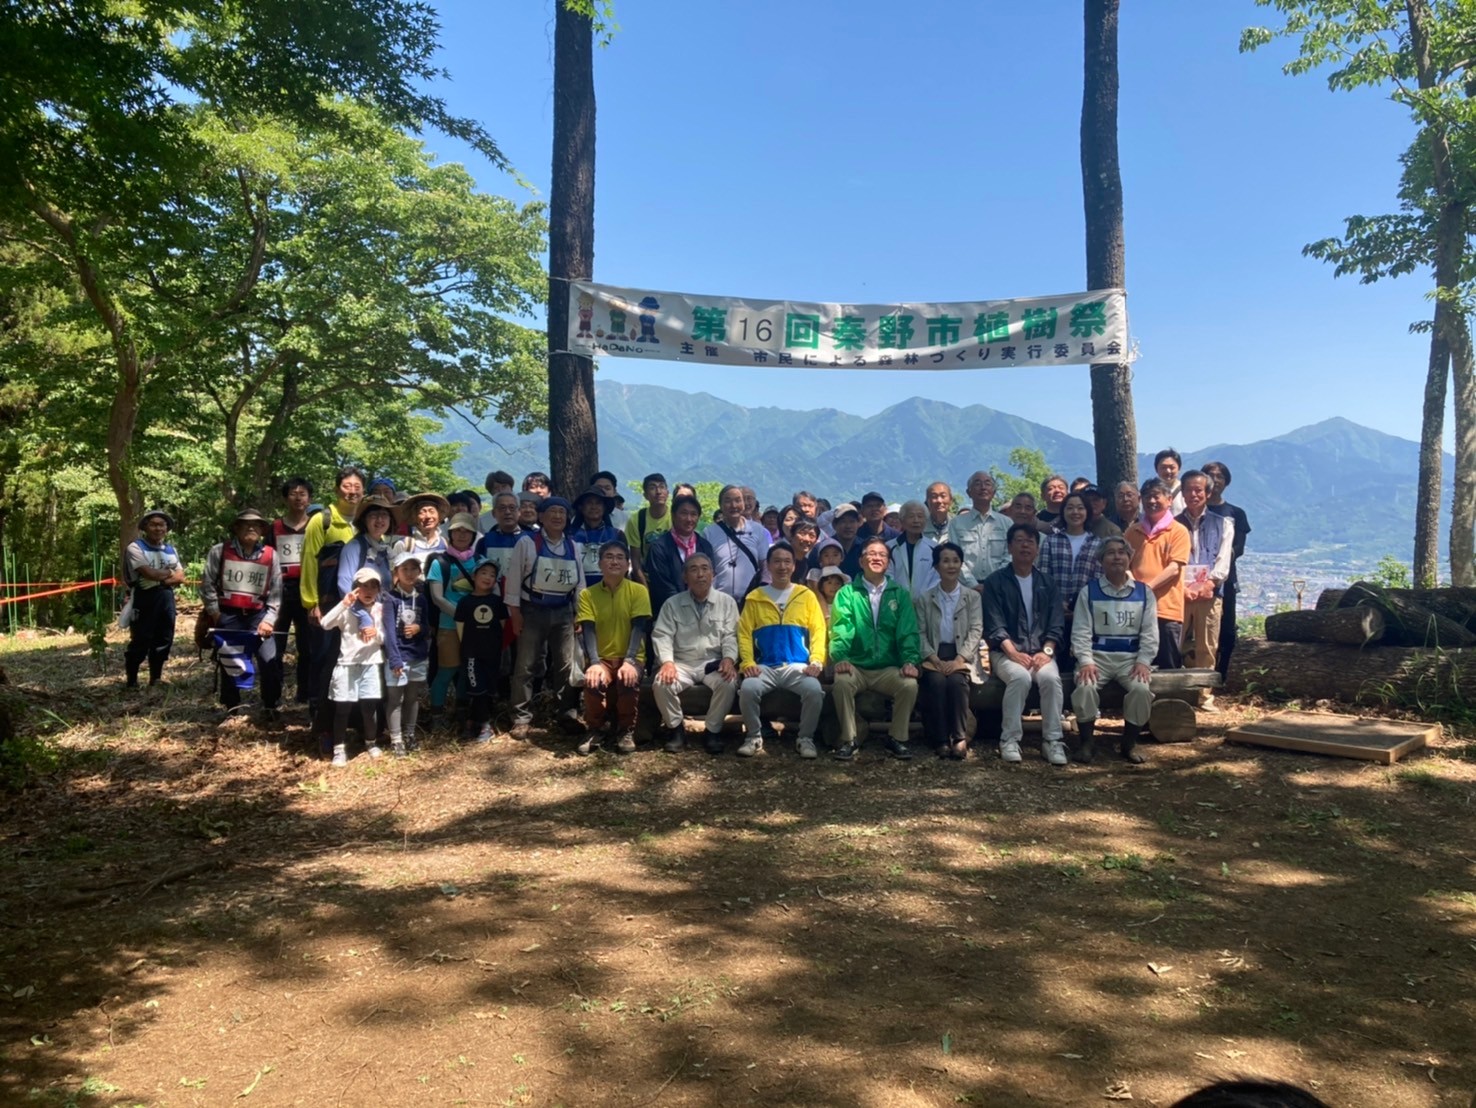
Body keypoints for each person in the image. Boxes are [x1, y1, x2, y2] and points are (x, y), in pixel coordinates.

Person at [828, 535, 921, 761]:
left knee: (909, 685)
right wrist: (841, 656)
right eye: (871, 554)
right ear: (861, 561)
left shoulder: (899, 594)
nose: (876, 558)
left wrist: (910, 660)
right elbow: (841, 628)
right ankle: (849, 739)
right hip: (857, 666)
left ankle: (897, 738)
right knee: (841, 683)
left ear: (888, 562)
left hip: (887, 667)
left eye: (882, 555)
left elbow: (908, 631)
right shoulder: (847, 593)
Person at [982, 524, 1067, 766]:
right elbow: (994, 623)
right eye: (1019, 540)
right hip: (1005, 653)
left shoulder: (1047, 583)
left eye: (1030, 541)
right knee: (1020, 678)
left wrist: (1047, 651)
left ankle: (1052, 740)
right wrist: (1012, 651)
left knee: (1051, 679)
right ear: (1009, 547)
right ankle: (1009, 739)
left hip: (1041, 653)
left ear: (1038, 548)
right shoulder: (995, 582)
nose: (1025, 545)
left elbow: (1056, 624)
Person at [734, 542, 828, 759]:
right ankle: (754, 737)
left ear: (794, 566)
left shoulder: (805, 596)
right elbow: (745, 633)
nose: (782, 566)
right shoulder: (755, 597)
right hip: (764, 666)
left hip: (797, 666)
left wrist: (816, 660)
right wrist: (747, 662)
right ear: (768, 565)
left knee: (814, 690)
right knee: (748, 689)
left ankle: (805, 738)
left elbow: (818, 630)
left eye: (787, 561)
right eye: (776, 561)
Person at [1070, 536, 1157, 764]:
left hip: (1131, 659)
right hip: (1097, 657)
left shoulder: (1144, 593)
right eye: (1110, 552)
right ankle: (1087, 742)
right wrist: (1086, 661)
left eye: (1121, 552)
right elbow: (1080, 631)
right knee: (1085, 687)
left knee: (1140, 690)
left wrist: (1144, 661)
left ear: (1130, 558)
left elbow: (1150, 632)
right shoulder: (1089, 592)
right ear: (1101, 560)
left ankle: (1129, 743)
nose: (1116, 556)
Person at [506, 496, 584, 738]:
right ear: (541, 516)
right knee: (526, 665)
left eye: (562, 512)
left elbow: (579, 585)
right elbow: (513, 580)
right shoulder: (527, 543)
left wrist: (579, 614)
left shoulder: (574, 546)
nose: (558, 516)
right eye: (552, 511)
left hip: (563, 612)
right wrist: (515, 614)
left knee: (565, 665)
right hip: (532, 610)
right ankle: (521, 717)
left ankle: (567, 714)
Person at [650, 553, 740, 754]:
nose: (700, 574)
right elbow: (662, 635)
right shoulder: (672, 604)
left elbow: (731, 636)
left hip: (713, 662)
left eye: (705, 569)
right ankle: (676, 730)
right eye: (694, 569)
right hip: (681, 662)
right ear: (684, 577)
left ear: (713, 574)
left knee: (728, 682)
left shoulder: (727, 602)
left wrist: (728, 659)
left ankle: (713, 731)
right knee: (661, 683)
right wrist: (667, 662)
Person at [200, 508, 283, 720]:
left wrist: (269, 619)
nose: (251, 528)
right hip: (228, 614)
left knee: (269, 660)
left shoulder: (271, 555)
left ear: (262, 530)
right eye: (246, 524)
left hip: (259, 616)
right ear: (236, 528)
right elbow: (208, 584)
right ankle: (232, 708)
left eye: (256, 525)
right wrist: (215, 613)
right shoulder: (219, 551)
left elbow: (275, 592)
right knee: (230, 661)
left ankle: (271, 705)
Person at [300, 466, 365, 733]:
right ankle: (319, 716)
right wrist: (310, 602)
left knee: (354, 657)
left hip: (360, 606)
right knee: (325, 658)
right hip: (328, 603)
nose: (352, 491)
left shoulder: (367, 520)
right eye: (346, 486)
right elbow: (309, 562)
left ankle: (352, 718)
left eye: (357, 486)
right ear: (337, 489)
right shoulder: (322, 521)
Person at [576, 541, 651, 754]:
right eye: (609, 556)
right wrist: (595, 662)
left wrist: (629, 661)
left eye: (620, 557)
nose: (614, 561)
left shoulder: (638, 591)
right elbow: (588, 629)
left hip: (632, 656)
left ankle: (626, 730)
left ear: (628, 564)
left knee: (627, 679)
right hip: (601, 657)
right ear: (599, 563)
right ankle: (595, 729)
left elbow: (639, 627)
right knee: (593, 681)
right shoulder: (587, 594)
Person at [914, 542, 984, 760]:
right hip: (933, 655)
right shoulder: (925, 599)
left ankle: (960, 737)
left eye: (955, 561)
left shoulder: (972, 597)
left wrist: (959, 659)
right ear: (936, 566)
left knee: (956, 683)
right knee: (935, 682)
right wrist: (934, 659)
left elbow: (976, 629)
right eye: (945, 561)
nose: (951, 565)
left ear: (961, 564)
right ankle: (940, 739)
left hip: (961, 655)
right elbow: (920, 632)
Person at [319, 566, 386, 765]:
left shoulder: (379, 609)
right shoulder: (347, 609)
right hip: (347, 664)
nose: (369, 591)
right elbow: (325, 624)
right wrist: (343, 603)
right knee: (343, 708)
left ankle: (371, 742)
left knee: (369, 707)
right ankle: (339, 748)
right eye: (364, 586)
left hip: (371, 663)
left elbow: (384, 638)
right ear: (355, 588)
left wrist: (376, 633)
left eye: (373, 586)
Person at [1125, 477, 1190, 670]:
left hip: (1166, 609)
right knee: (1138, 665)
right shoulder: (1132, 531)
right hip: (1136, 608)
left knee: (1168, 664)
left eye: (1156, 496)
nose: (1151, 501)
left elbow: (1174, 568)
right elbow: (1124, 564)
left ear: (1169, 500)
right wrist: (1134, 586)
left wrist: (1146, 589)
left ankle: (1172, 701)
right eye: (1147, 497)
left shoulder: (1178, 531)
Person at [1177, 469, 1235, 678]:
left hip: (1210, 593)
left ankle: (1204, 693)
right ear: (1182, 493)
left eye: (1198, 490)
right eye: (1189, 490)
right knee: (1174, 643)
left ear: (1208, 493)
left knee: (1207, 645)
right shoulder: (1173, 525)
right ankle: (1173, 690)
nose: (1194, 495)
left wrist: (1210, 583)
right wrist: (1181, 587)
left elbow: (1224, 558)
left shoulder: (1223, 524)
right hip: (1178, 593)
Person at [1035, 491, 1103, 668]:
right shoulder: (1051, 541)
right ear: (1063, 512)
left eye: (1080, 508)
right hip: (1054, 613)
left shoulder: (1097, 543)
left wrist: (1079, 607)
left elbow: (1098, 580)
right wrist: (1058, 603)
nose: (1075, 512)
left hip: (1086, 615)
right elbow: (1043, 577)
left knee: (1081, 663)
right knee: (1056, 662)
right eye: (1070, 508)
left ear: (1087, 512)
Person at [426, 513, 481, 727]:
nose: (461, 534)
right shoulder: (440, 563)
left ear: (473, 535)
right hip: (448, 626)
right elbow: (437, 597)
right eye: (457, 530)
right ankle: (437, 715)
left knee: (466, 669)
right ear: (450, 533)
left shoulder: (479, 562)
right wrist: (462, 615)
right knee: (447, 670)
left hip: (474, 628)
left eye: (466, 531)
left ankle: (461, 710)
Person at [122, 509, 185, 689]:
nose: (158, 529)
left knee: (164, 637)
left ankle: (155, 678)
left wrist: (160, 577)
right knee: (141, 638)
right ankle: (132, 680)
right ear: (145, 528)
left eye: (162, 525)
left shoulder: (171, 550)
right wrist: (168, 573)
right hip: (144, 597)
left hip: (166, 597)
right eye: (154, 524)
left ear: (167, 528)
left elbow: (180, 576)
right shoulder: (135, 548)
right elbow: (147, 572)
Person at [1202, 459, 1251, 681]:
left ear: (1226, 481)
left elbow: (1238, 548)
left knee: (1227, 627)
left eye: (1220, 476)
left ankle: (1222, 672)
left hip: (1227, 578)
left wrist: (1220, 561)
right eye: (1211, 475)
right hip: (1197, 578)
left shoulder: (1235, 513)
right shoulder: (1194, 511)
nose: (1215, 479)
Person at [268, 478, 314, 703]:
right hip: (279, 592)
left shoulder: (315, 527)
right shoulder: (274, 527)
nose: (298, 498)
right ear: (285, 498)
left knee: (307, 648)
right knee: (274, 646)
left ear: (309, 499)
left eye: (303, 493)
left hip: (306, 592)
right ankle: (273, 697)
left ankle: (304, 694)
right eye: (294, 493)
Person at [382, 549, 433, 756]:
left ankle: (410, 734)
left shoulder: (421, 599)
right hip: (399, 657)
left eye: (414, 569)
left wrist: (420, 629)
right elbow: (388, 632)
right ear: (397, 572)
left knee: (413, 697)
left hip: (418, 656)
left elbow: (429, 627)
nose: (410, 573)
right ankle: (396, 739)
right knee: (396, 699)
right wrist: (394, 659)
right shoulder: (390, 599)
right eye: (405, 569)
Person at [456, 558, 509, 745]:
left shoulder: (497, 602)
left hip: (492, 653)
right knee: (476, 688)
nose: (488, 577)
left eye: (493, 575)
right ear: (474, 576)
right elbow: (460, 630)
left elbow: (502, 627)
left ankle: (475, 721)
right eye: (484, 573)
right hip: (471, 654)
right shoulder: (465, 602)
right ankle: (484, 724)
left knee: (488, 689)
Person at [643, 493, 716, 617]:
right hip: (671, 613)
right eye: (684, 513)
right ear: (673, 515)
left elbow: (709, 578)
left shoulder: (705, 546)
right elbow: (662, 586)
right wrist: (687, 608)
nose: (689, 519)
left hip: (703, 612)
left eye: (693, 514)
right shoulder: (659, 547)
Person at [705, 484, 769, 602]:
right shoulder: (709, 532)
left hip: (751, 600)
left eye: (738, 500)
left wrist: (763, 590)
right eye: (728, 501)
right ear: (720, 505)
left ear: (743, 504)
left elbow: (765, 565)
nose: (733, 505)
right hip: (719, 600)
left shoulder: (757, 530)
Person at [949, 471, 1011, 591]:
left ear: (994, 492)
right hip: (966, 588)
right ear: (969, 492)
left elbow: (1009, 556)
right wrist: (973, 585)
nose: (983, 487)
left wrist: (996, 582)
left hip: (1000, 587)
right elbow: (954, 557)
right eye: (977, 483)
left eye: (987, 483)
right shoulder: (956, 523)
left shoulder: (1006, 523)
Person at [336, 495, 397, 597]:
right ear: (364, 519)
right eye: (374, 515)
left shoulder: (385, 549)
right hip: (360, 610)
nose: (380, 519)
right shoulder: (354, 547)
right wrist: (360, 611)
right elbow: (344, 585)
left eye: (384, 514)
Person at [571, 486, 625, 587]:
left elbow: (623, 566)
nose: (594, 507)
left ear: (604, 508)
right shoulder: (570, 536)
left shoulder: (617, 535)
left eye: (598, 503)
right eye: (589, 502)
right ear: (581, 507)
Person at [888, 500, 938, 597]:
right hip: (897, 603)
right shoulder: (889, 547)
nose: (916, 520)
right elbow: (888, 577)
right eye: (911, 516)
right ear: (902, 520)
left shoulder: (935, 548)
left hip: (926, 604)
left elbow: (935, 579)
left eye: (920, 516)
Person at [625, 472, 672, 565]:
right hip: (647, 576)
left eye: (662, 487)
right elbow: (635, 560)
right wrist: (642, 579)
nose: (658, 492)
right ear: (645, 495)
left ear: (667, 493)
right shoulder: (636, 520)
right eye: (652, 488)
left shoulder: (675, 517)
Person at [394, 491, 450, 560]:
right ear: (414, 517)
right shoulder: (403, 544)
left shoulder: (446, 544)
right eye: (422, 512)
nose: (428, 516)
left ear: (439, 516)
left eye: (432, 511)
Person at [824, 503, 866, 577]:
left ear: (858, 523)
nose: (848, 526)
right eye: (843, 521)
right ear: (834, 525)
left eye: (852, 521)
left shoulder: (865, 547)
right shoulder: (824, 547)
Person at [1155, 448, 1186, 514]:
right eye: (1163, 467)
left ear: (1179, 468)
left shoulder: (1186, 489)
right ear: (1156, 469)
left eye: (1172, 467)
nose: (1168, 471)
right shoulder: (1150, 492)